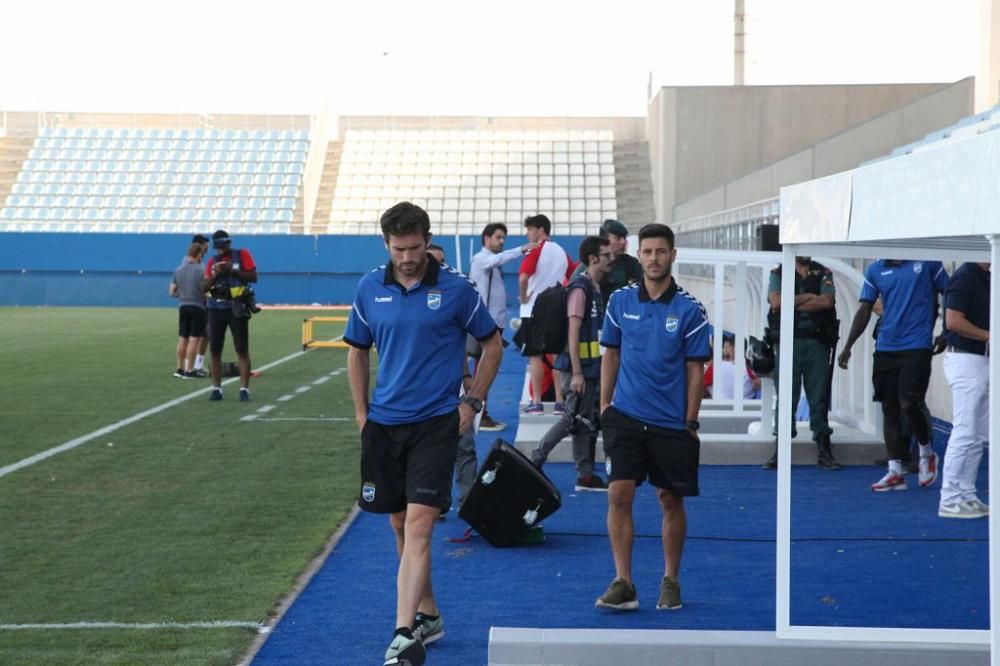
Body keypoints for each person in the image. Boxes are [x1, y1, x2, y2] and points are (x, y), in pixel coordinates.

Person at [343, 202, 502, 666]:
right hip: (384, 424)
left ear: (426, 240)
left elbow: (492, 345)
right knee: (398, 522)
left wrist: (473, 402)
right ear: (386, 244)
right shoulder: (369, 287)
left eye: (414, 248)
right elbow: (356, 352)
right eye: (399, 249)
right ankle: (428, 615)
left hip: (437, 423)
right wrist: (360, 414)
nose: (408, 258)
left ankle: (402, 635)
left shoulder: (456, 289)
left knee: (418, 525)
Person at [596, 223, 710, 612]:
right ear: (639, 255)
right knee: (618, 493)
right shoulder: (619, 302)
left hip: (670, 423)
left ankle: (670, 580)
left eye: (661, 252)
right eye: (647, 252)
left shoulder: (691, 310)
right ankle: (623, 581)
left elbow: (696, 370)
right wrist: (604, 406)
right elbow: (610, 353)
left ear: (672, 255)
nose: (654, 259)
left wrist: (690, 421)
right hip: (626, 415)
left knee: (669, 499)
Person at [838, 259, 949, 491]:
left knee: (909, 402)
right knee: (889, 407)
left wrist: (946, 330)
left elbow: (948, 292)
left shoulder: (927, 262)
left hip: (917, 344)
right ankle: (895, 471)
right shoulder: (876, 269)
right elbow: (865, 308)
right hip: (886, 346)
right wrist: (848, 346)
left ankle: (926, 452)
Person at [530, 235, 613, 491]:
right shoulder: (581, 289)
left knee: (583, 421)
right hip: (576, 370)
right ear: (592, 259)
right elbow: (573, 332)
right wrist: (577, 372)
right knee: (570, 418)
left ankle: (585, 476)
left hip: (589, 369)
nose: (612, 259)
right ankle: (536, 459)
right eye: (606, 255)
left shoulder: (594, 288)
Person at [762, 257, 842, 471]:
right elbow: (776, 302)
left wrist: (792, 301)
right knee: (787, 396)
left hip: (817, 343)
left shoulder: (823, 271)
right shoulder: (779, 272)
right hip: (788, 343)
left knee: (819, 397)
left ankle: (824, 447)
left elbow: (826, 301)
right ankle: (782, 448)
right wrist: (808, 296)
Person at [468, 222, 537, 430]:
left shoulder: (490, 263)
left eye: (503, 238)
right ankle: (479, 413)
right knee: (483, 370)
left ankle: (480, 412)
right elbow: (497, 259)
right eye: (498, 237)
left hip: (492, 323)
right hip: (485, 324)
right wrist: (521, 249)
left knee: (485, 369)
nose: (501, 241)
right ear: (486, 239)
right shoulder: (482, 259)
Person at [938, 262, 991, 518]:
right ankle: (949, 497)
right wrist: (990, 335)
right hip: (966, 360)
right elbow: (953, 321)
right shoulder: (965, 277)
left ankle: (967, 494)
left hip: (982, 360)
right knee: (964, 430)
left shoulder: (986, 276)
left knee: (978, 433)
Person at [519, 214, 571, 414]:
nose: (527, 233)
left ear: (540, 229)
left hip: (533, 309)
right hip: (556, 310)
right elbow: (573, 274)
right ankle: (560, 401)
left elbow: (523, 278)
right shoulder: (561, 251)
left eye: (529, 229)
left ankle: (538, 402)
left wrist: (523, 297)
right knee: (556, 355)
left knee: (535, 356)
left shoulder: (535, 249)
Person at [201, 229, 258, 402]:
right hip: (216, 307)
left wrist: (232, 271)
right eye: (218, 247)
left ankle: (243, 389)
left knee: (241, 348)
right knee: (215, 349)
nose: (220, 250)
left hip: (236, 306)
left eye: (222, 246)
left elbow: (253, 276)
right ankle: (216, 388)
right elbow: (203, 287)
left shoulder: (242, 255)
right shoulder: (212, 261)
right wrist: (217, 273)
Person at [572, 218, 642, 295]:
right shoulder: (587, 268)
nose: (623, 242)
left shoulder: (631, 265)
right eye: (617, 238)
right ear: (604, 240)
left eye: (624, 238)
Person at [169, 241, 207, 378]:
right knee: (194, 339)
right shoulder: (202, 270)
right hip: (197, 306)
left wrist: (183, 294)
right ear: (198, 255)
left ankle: (179, 368)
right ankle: (189, 369)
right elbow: (206, 290)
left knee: (182, 338)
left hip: (183, 306)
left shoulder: (178, 270)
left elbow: (171, 292)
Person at [704, 335, 759, 400]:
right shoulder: (750, 365)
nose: (725, 350)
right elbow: (758, 383)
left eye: (727, 347)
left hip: (723, 407)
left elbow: (699, 388)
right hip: (748, 404)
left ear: (733, 348)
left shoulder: (716, 366)